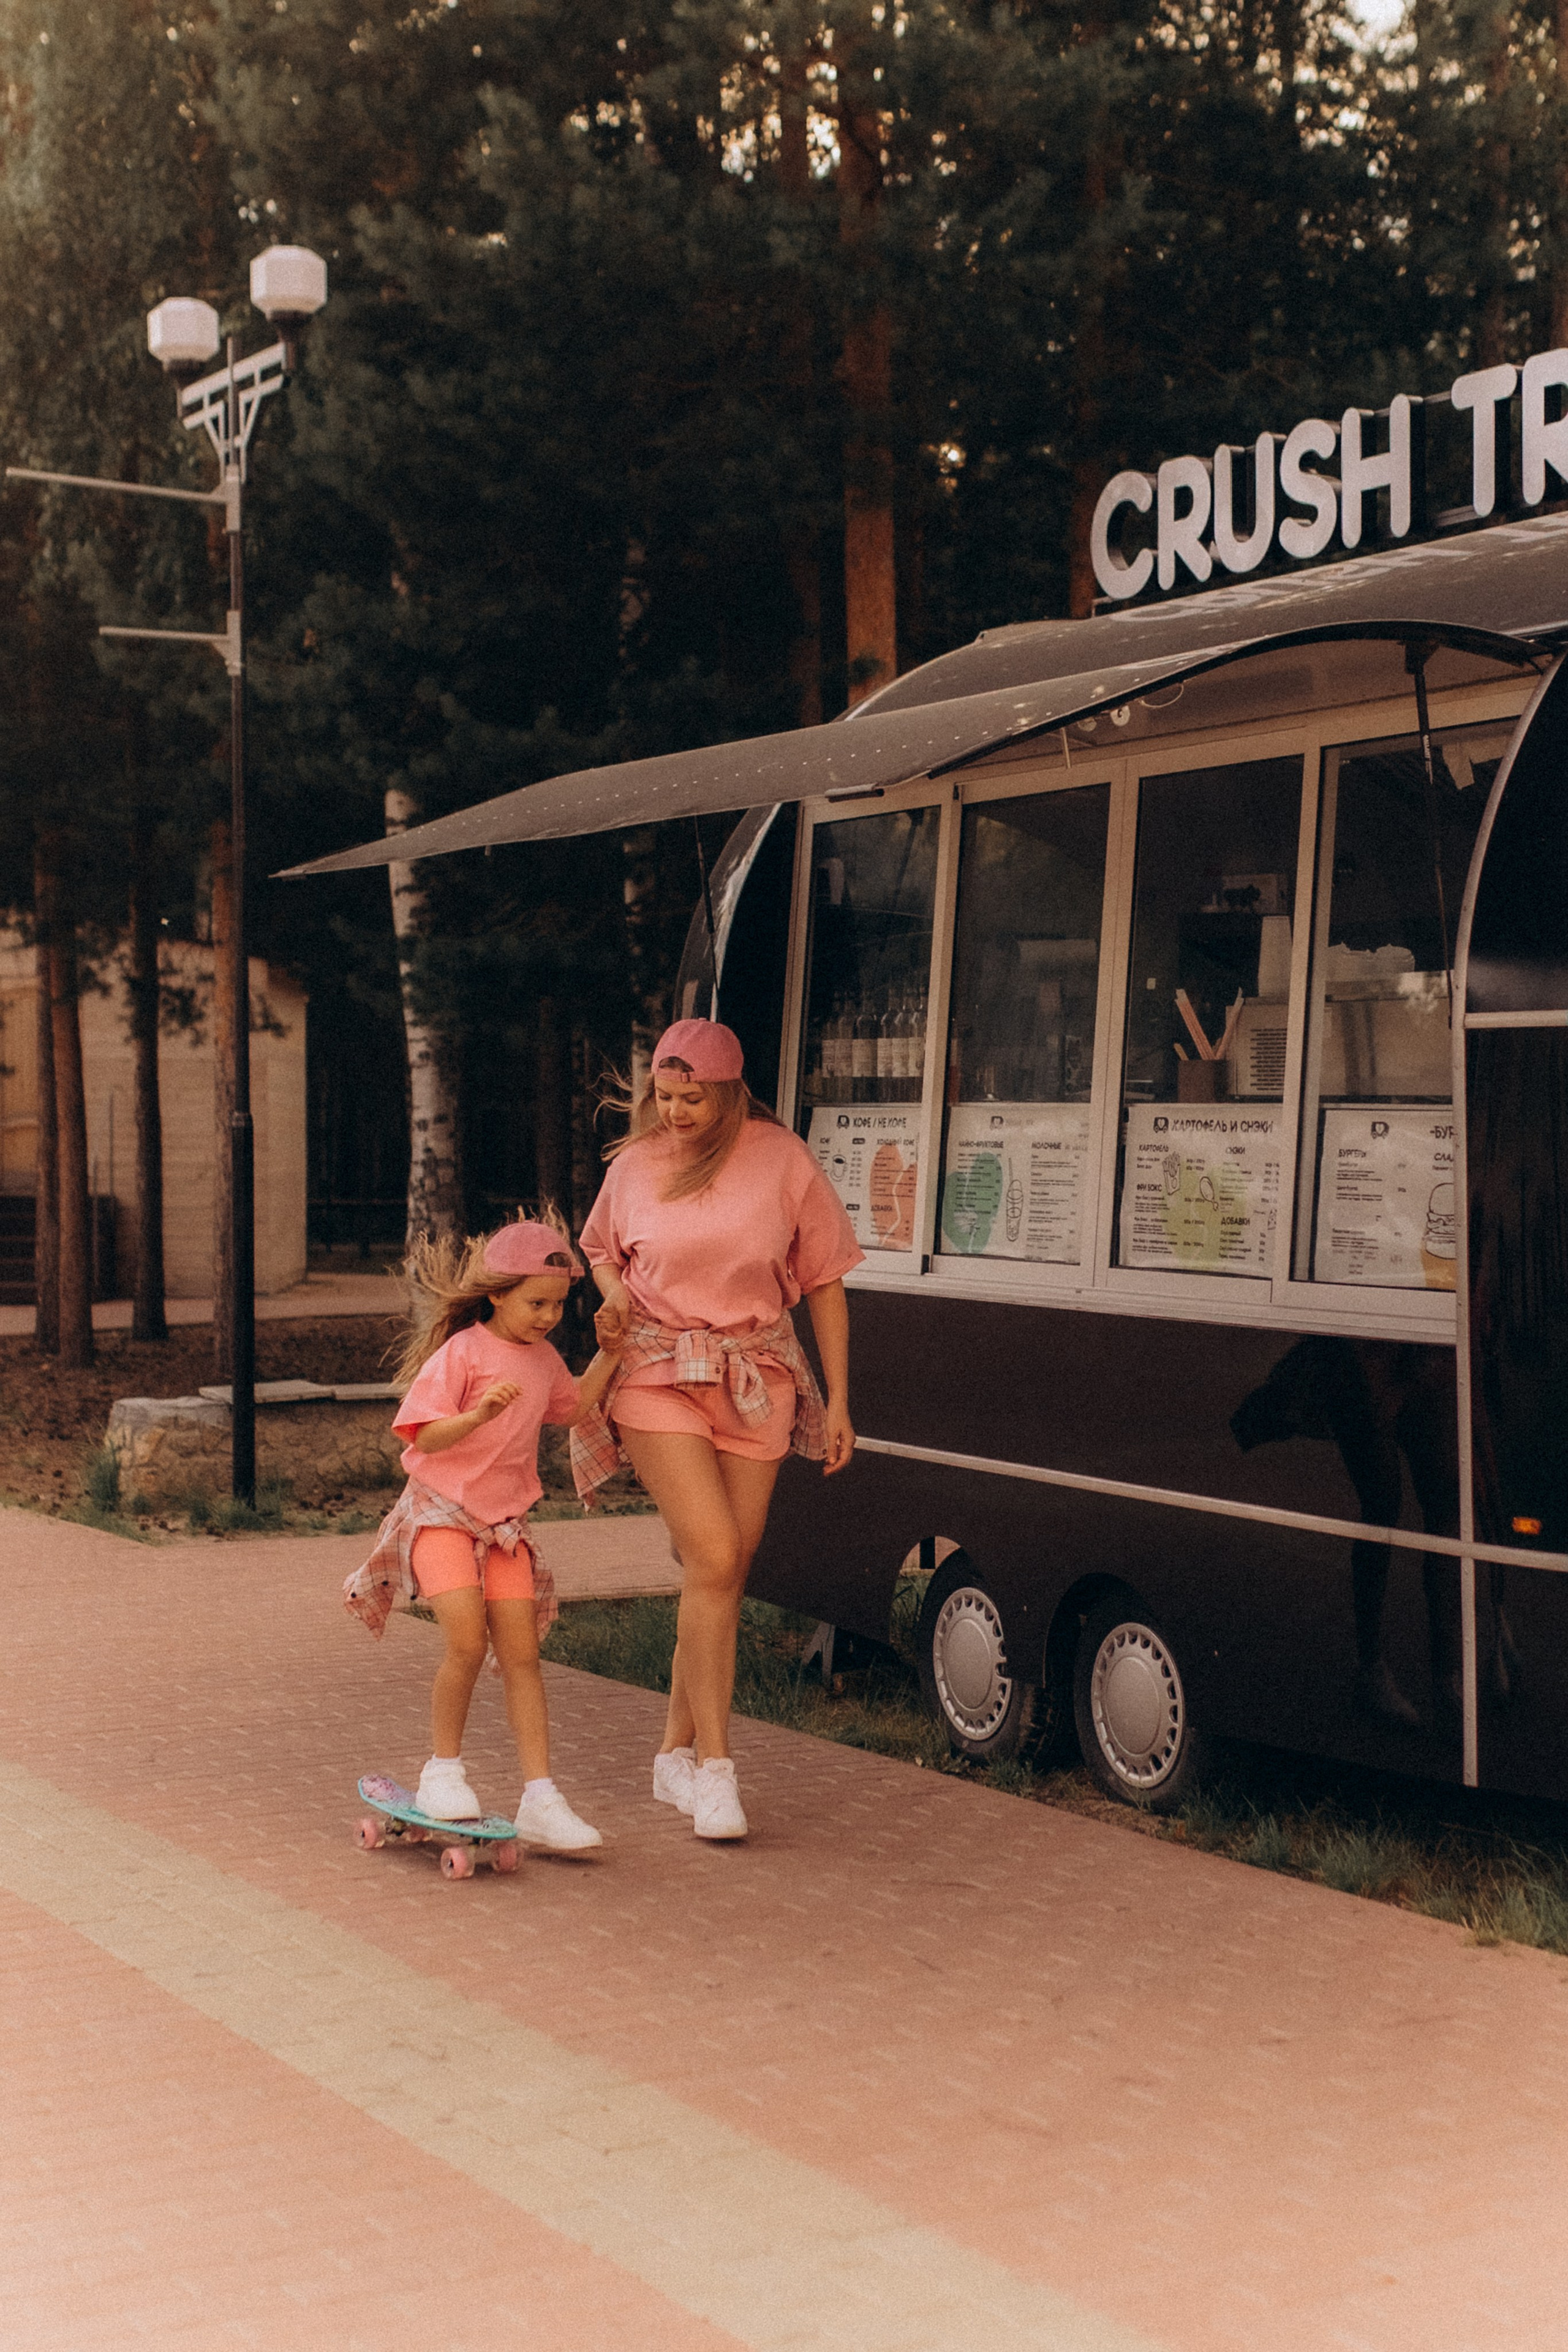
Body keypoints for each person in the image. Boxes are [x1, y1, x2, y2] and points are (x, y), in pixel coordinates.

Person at [575, 1017, 863, 1841]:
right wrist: (613, 1290)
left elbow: (828, 1282)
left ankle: (671, 1753)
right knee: (712, 1554)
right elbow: (598, 1247)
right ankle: (716, 1771)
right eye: (664, 1097)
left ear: (731, 1091)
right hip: (658, 1371)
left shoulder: (784, 1161)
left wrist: (839, 1400)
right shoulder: (635, 1167)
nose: (675, 1112)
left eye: (691, 1097)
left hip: (756, 1377)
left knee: (723, 1577)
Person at [345, 1216, 622, 1851]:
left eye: (557, 1305)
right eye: (536, 1303)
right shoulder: (462, 1353)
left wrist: (611, 1352)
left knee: (523, 1658)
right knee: (467, 1643)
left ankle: (541, 1798)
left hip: (504, 1528)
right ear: (497, 1294)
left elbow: (572, 1408)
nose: (549, 1317)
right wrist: (478, 1414)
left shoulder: (545, 1358)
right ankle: (442, 1772)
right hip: (441, 1514)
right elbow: (420, 1435)